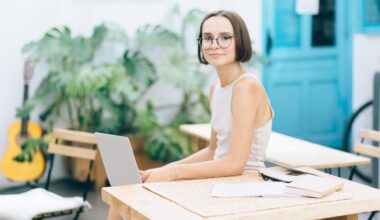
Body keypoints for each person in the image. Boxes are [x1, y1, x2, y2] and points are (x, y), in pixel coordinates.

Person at [107, 10, 274, 220]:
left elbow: (235, 164)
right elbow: (214, 151)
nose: (214, 44)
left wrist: (172, 173)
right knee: (121, 198)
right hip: (220, 180)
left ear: (240, 41)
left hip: (244, 184)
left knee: (138, 203)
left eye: (225, 38)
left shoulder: (246, 87)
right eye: (208, 38)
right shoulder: (216, 88)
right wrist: (165, 169)